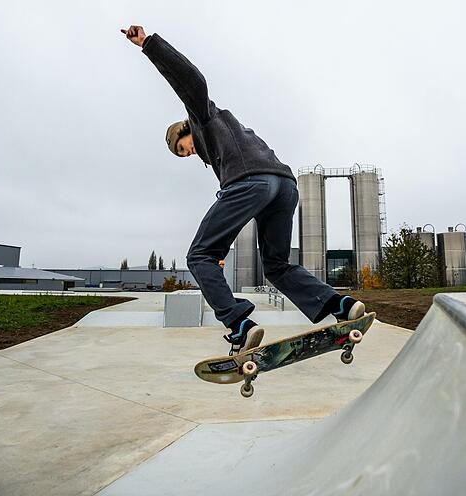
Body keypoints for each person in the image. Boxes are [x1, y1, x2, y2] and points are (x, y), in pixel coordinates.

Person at [122, 26, 366, 356]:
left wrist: (149, 44)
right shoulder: (228, 136)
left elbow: (191, 81)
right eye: (183, 154)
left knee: (198, 255)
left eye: (184, 147)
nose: (189, 152)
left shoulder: (202, 117)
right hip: (284, 186)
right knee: (276, 266)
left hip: (253, 183)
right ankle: (341, 305)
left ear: (184, 130)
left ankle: (239, 324)